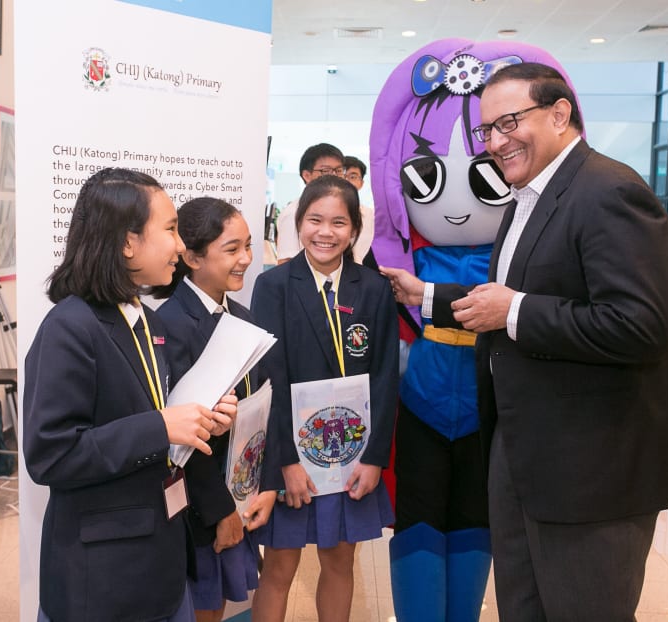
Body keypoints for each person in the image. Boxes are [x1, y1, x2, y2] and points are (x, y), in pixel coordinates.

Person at [382, 62, 668, 620]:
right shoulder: (528, 195)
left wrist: (514, 310)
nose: (496, 142)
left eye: (510, 122)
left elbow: (639, 325)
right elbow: (522, 292)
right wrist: (427, 295)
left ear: (560, 113)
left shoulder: (611, 191)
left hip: (591, 472)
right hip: (524, 457)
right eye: (487, 129)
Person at [23, 167, 238, 622]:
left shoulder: (147, 322)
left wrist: (205, 418)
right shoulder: (69, 327)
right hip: (103, 578)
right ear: (127, 243)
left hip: (159, 560)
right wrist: (160, 427)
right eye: (170, 229)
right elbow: (50, 455)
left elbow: (158, 412)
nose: (179, 245)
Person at [250, 175, 398, 621]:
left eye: (338, 222)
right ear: (299, 223)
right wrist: (286, 463)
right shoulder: (274, 286)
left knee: (339, 560)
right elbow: (268, 381)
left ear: (354, 229)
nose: (325, 232)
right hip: (291, 457)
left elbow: (385, 377)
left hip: (350, 456)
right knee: (279, 566)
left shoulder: (372, 289)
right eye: (315, 220)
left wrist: (373, 458)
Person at [153, 196, 275, 622]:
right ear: (192, 257)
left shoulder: (242, 316)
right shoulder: (170, 324)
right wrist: (221, 509)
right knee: (199, 607)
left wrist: (259, 487)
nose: (246, 259)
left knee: (217, 606)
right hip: (201, 506)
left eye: (248, 246)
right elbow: (183, 435)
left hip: (237, 492)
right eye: (232, 249)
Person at [275, 143, 345, 264]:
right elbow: (286, 262)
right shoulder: (293, 212)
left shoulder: (343, 208)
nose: (334, 176)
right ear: (307, 175)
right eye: (326, 170)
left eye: (338, 171)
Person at [341, 155, 375, 264]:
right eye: (342, 176)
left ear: (361, 183)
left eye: (353, 177)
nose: (346, 181)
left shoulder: (371, 215)